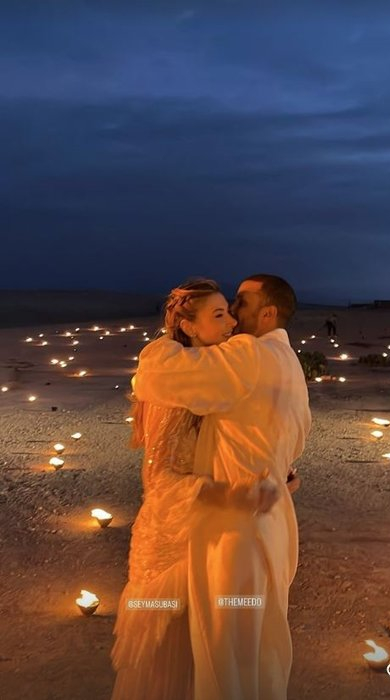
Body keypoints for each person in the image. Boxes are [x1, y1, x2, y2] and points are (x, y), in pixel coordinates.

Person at [133, 273, 311, 700]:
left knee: (226, 650)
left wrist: (166, 342)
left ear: (268, 313)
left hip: (235, 531)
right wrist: (276, 473)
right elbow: (295, 438)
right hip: (274, 521)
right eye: (223, 309)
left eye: (240, 302)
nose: (233, 312)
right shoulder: (290, 362)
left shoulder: (250, 354)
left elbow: (156, 375)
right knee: (261, 643)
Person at [110, 279, 275, 700]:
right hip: (172, 546)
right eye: (218, 315)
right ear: (187, 326)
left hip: (201, 533)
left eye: (230, 312)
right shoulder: (173, 388)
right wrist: (232, 495)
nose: (231, 322)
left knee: (209, 654)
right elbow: (159, 479)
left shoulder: (202, 379)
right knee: (172, 658)